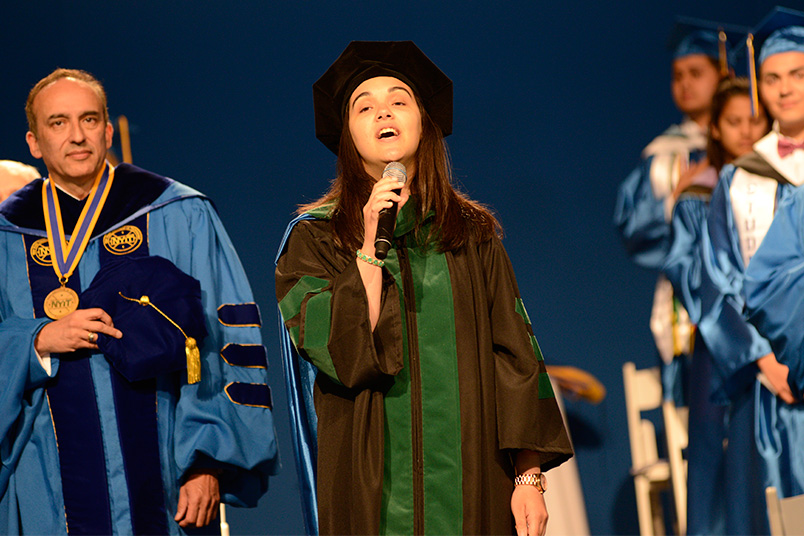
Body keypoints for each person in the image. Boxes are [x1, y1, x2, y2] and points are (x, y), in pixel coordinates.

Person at [275, 41, 572, 536]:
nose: (383, 113)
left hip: (472, 481)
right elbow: (337, 351)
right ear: (348, 136)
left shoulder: (471, 235)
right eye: (363, 106)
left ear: (423, 121)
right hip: (369, 486)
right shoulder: (314, 238)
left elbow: (515, 358)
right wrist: (369, 246)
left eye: (398, 101)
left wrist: (529, 474)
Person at [0, 68, 278, 534]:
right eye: (58, 123)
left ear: (108, 130)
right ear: (33, 141)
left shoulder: (176, 210)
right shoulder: (8, 233)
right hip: (45, 480)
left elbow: (224, 339)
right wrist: (39, 339)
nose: (76, 136)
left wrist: (206, 460)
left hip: (170, 472)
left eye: (89, 120)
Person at [663, 76, 770, 535]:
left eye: (754, 120)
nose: (745, 131)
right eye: (733, 121)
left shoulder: (777, 184)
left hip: (777, 335)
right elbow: (686, 268)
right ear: (716, 129)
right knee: (715, 448)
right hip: (718, 336)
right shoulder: (700, 191)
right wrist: (729, 310)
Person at [614, 18, 738, 407]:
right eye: (678, 75)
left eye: (696, 73)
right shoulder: (663, 157)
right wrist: (676, 202)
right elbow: (635, 229)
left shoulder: (753, 145)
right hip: (688, 297)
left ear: (723, 74)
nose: (685, 84)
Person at [737, 6, 804, 500]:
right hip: (777, 380)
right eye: (772, 77)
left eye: (797, 73)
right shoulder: (741, 176)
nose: (784, 88)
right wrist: (764, 356)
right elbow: (720, 281)